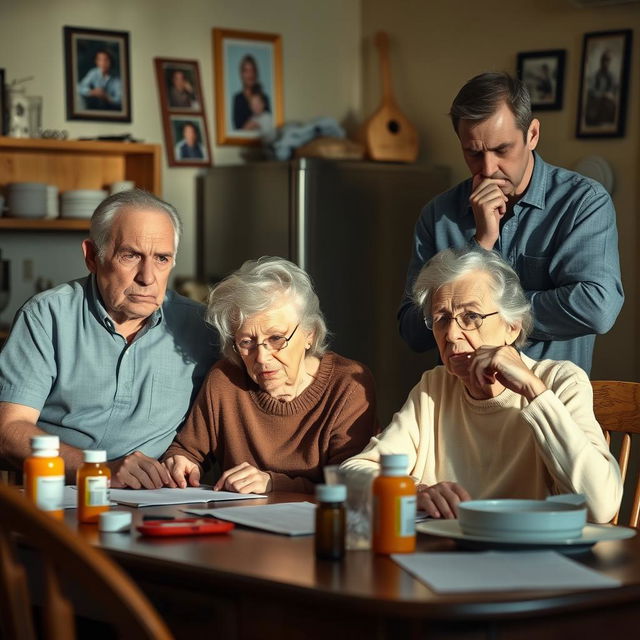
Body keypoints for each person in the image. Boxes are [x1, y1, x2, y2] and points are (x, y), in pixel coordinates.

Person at [343, 248, 622, 524]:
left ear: (512, 326)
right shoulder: (436, 386)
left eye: (471, 317)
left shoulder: (561, 383)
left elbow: (600, 506)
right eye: (441, 319)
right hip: (445, 558)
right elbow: (354, 472)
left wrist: (535, 393)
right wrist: (411, 492)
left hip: (529, 557)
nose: (451, 334)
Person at [398, 72, 623, 374]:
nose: (489, 168)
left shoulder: (582, 203)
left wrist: (484, 312)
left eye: (502, 150)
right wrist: (480, 246)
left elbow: (597, 308)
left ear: (532, 135)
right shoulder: (437, 216)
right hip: (460, 410)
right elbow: (413, 331)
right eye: (473, 153)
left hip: (549, 403)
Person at [0, 190, 218, 488]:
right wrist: (99, 470)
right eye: (130, 255)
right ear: (92, 256)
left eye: (162, 258)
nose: (148, 277)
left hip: (158, 500)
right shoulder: (47, 315)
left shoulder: (202, 327)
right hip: (60, 492)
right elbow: (9, 430)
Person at [163, 257, 379, 494]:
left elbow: (350, 484)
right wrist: (182, 463)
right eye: (246, 342)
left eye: (276, 338)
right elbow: (187, 450)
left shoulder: (348, 384)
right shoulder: (224, 381)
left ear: (310, 333)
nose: (262, 357)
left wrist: (272, 483)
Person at [232, 54, 271, 130]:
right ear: (241, 74)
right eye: (246, 71)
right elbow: (237, 128)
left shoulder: (265, 98)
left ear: (256, 72)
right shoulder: (238, 99)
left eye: (252, 70)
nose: (250, 74)